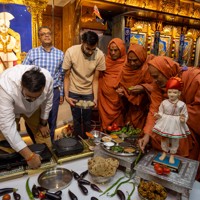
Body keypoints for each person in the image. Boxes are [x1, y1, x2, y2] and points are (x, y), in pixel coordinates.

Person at [138, 56, 200, 179]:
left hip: (187, 133)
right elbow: (154, 109)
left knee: (182, 172)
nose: (155, 81)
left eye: (156, 76)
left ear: (165, 71)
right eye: (152, 77)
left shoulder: (193, 78)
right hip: (167, 133)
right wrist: (147, 134)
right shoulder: (158, 86)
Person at [0, 65, 53, 169]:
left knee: (44, 136)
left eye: (36, 97)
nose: (32, 100)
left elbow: (48, 102)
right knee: (5, 141)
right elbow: (7, 127)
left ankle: (47, 164)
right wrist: (29, 156)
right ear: (21, 85)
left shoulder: (48, 79)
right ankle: (14, 166)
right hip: (12, 108)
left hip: (35, 110)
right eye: (28, 97)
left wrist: (43, 123)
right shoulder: (5, 86)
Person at [23, 26, 64, 142]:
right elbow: (24, 71)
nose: (46, 35)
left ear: (52, 36)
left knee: (51, 119)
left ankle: (49, 143)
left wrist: (61, 93)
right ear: (39, 37)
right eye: (43, 34)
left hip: (53, 91)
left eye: (48, 33)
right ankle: (36, 142)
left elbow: (62, 75)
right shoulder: (32, 53)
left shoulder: (60, 54)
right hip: (35, 91)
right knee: (32, 118)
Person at [62, 31, 105, 139]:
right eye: (87, 48)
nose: (90, 52)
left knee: (87, 120)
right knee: (76, 120)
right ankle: (77, 143)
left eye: (93, 49)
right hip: (73, 90)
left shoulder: (99, 55)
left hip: (88, 92)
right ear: (82, 42)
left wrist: (95, 98)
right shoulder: (71, 52)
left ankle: (87, 142)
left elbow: (95, 79)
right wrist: (66, 96)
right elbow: (66, 76)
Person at [152, 77, 190, 164]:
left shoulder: (182, 104)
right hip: (165, 123)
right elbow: (161, 112)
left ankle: (172, 155)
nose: (172, 94)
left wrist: (183, 119)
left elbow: (185, 114)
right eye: (170, 92)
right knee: (164, 138)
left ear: (179, 93)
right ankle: (164, 152)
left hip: (176, 124)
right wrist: (158, 115)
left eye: (174, 92)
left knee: (175, 140)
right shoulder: (164, 102)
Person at [116, 44, 154, 129]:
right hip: (131, 108)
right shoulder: (126, 68)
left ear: (142, 57)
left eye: (135, 60)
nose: (132, 63)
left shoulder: (150, 67)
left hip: (145, 109)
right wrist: (122, 92)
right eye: (129, 60)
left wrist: (144, 88)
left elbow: (157, 88)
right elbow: (122, 85)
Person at [98, 38, 126, 130]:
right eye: (111, 50)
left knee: (117, 128)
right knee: (106, 128)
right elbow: (99, 77)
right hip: (104, 100)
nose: (113, 53)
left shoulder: (127, 63)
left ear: (121, 50)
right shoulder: (104, 61)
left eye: (116, 50)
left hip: (119, 102)